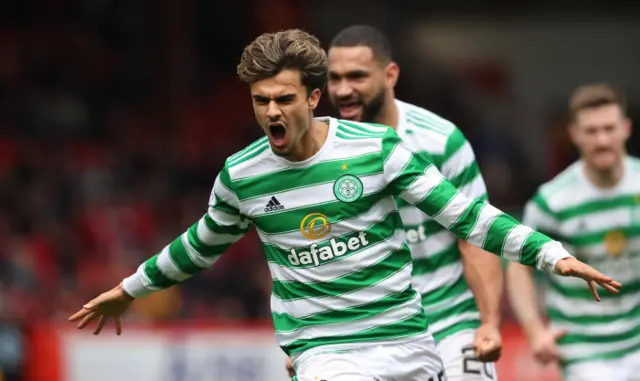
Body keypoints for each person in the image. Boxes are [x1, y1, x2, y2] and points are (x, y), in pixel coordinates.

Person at [68, 29, 620, 381]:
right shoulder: (243, 174)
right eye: (261, 101)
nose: (272, 112)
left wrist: (550, 255)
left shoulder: (378, 151)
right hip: (326, 352)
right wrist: (129, 289)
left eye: (285, 98)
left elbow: (468, 216)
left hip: (408, 339)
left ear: (311, 98)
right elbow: (199, 245)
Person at [324, 24, 503, 381]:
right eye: (335, 78)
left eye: (357, 76)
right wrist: (313, 344)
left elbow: (476, 234)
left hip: (451, 319)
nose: (344, 90)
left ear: (390, 75)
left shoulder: (440, 141)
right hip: (368, 331)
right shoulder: (321, 153)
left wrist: (490, 323)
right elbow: (322, 255)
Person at [507, 83, 639, 381]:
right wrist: (534, 331)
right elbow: (518, 266)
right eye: (591, 131)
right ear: (574, 135)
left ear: (626, 128)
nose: (602, 139)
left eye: (609, 128)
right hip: (584, 351)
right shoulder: (552, 201)